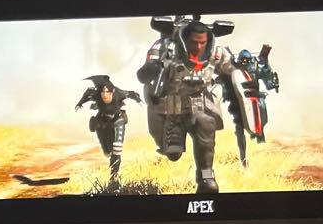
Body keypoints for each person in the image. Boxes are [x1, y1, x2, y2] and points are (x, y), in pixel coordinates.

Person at [136, 17, 242, 195]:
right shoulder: (165, 47)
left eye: (202, 42)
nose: (199, 47)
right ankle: (171, 138)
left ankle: (206, 178)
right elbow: (143, 75)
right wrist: (155, 66)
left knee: (206, 126)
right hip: (168, 104)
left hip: (199, 101)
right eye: (194, 42)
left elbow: (233, 71)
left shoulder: (216, 51)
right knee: (172, 152)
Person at [73, 75, 141, 189]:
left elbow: (131, 94)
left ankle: (114, 177)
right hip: (102, 123)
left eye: (107, 92)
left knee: (116, 150)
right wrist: (80, 103)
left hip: (117, 121)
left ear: (112, 93)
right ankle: (111, 163)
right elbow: (87, 95)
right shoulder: (96, 94)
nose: (104, 95)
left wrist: (138, 100)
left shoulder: (119, 93)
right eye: (102, 92)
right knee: (107, 152)